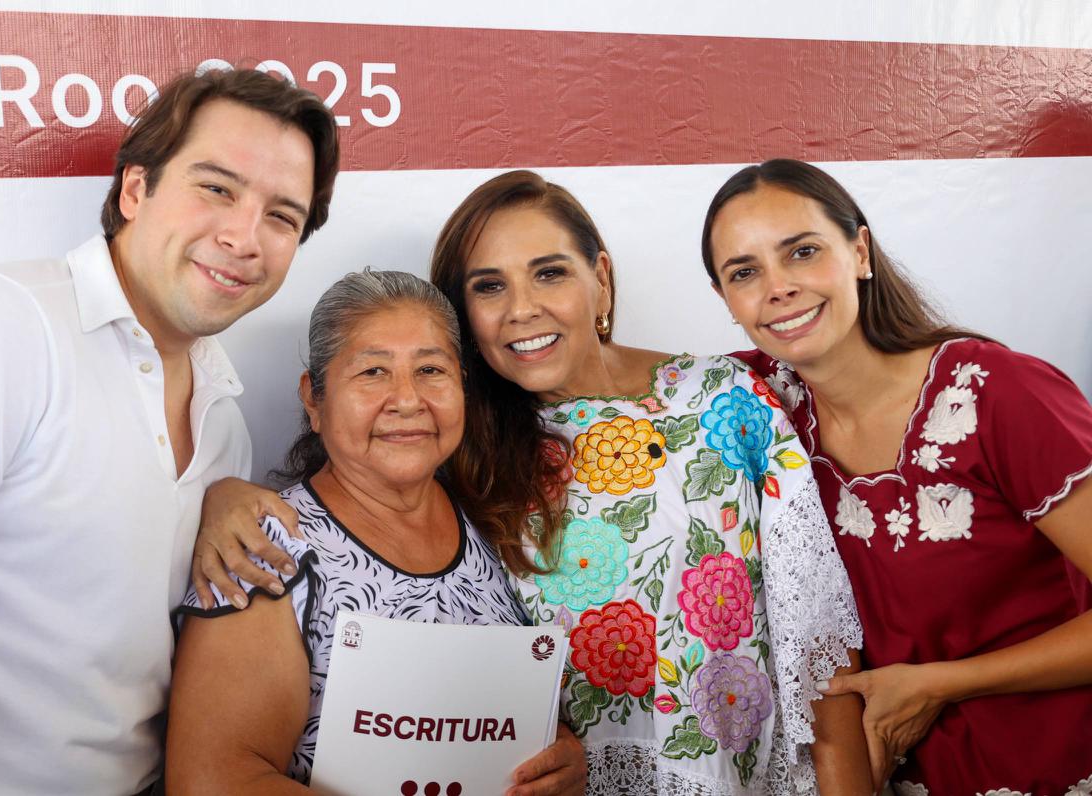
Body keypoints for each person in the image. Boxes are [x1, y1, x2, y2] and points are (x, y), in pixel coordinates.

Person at [0, 67, 339, 795]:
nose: (244, 237)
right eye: (217, 188)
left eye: (282, 216)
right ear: (135, 191)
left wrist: (218, 497)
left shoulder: (223, 411)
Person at [427, 170, 872, 794]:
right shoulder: (458, 455)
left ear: (601, 279)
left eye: (549, 273)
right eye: (489, 286)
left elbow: (817, 636)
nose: (522, 308)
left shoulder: (723, 398)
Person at [701, 158, 1092, 794]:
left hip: (1059, 763)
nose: (778, 287)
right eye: (744, 272)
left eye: (802, 252)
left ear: (860, 252)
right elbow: (625, 383)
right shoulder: (757, 409)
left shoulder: (996, 393)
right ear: (727, 300)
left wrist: (939, 683)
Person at [165, 269, 587, 795]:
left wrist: (559, 756)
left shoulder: (495, 525)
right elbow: (212, 782)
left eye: (430, 369)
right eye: (373, 372)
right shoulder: (263, 550)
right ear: (314, 399)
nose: (407, 400)